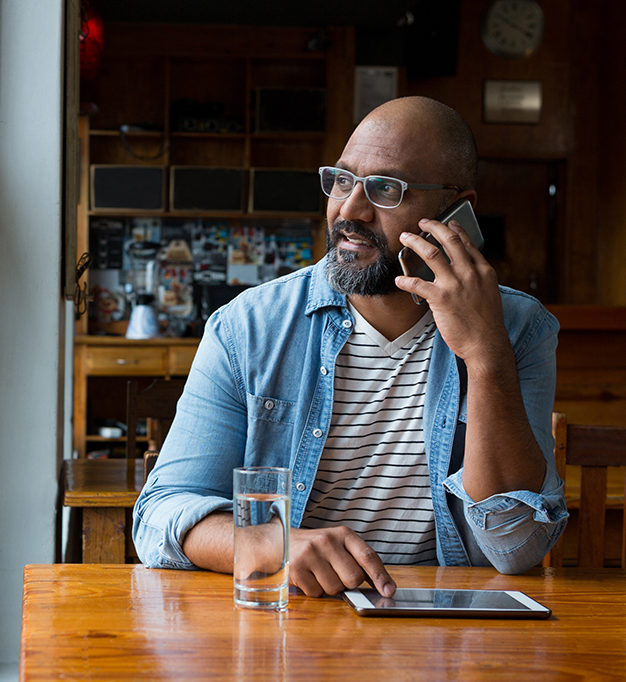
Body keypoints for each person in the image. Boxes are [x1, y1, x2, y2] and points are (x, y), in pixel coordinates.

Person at [132, 96, 568, 598]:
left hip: (450, 636)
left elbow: (516, 549)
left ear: (456, 209)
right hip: (293, 625)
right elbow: (160, 515)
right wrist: (274, 546)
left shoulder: (518, 329)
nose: (350, 210)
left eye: (386, 189)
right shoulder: (247, 328)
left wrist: (486, 355)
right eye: (342, 181)